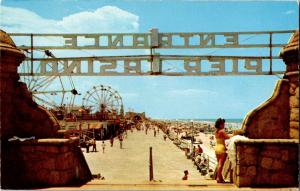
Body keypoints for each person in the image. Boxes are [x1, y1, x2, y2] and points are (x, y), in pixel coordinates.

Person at [214, 118, 231, 183]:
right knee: (221, 164)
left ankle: (220, 178)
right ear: (220, 125)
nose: (224, 125)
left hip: (217, 148)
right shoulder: (222, 131)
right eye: (223, 124)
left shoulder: (216, 131)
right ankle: (218, 178)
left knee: (219, 164)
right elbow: (228, 137)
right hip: (221, 148)